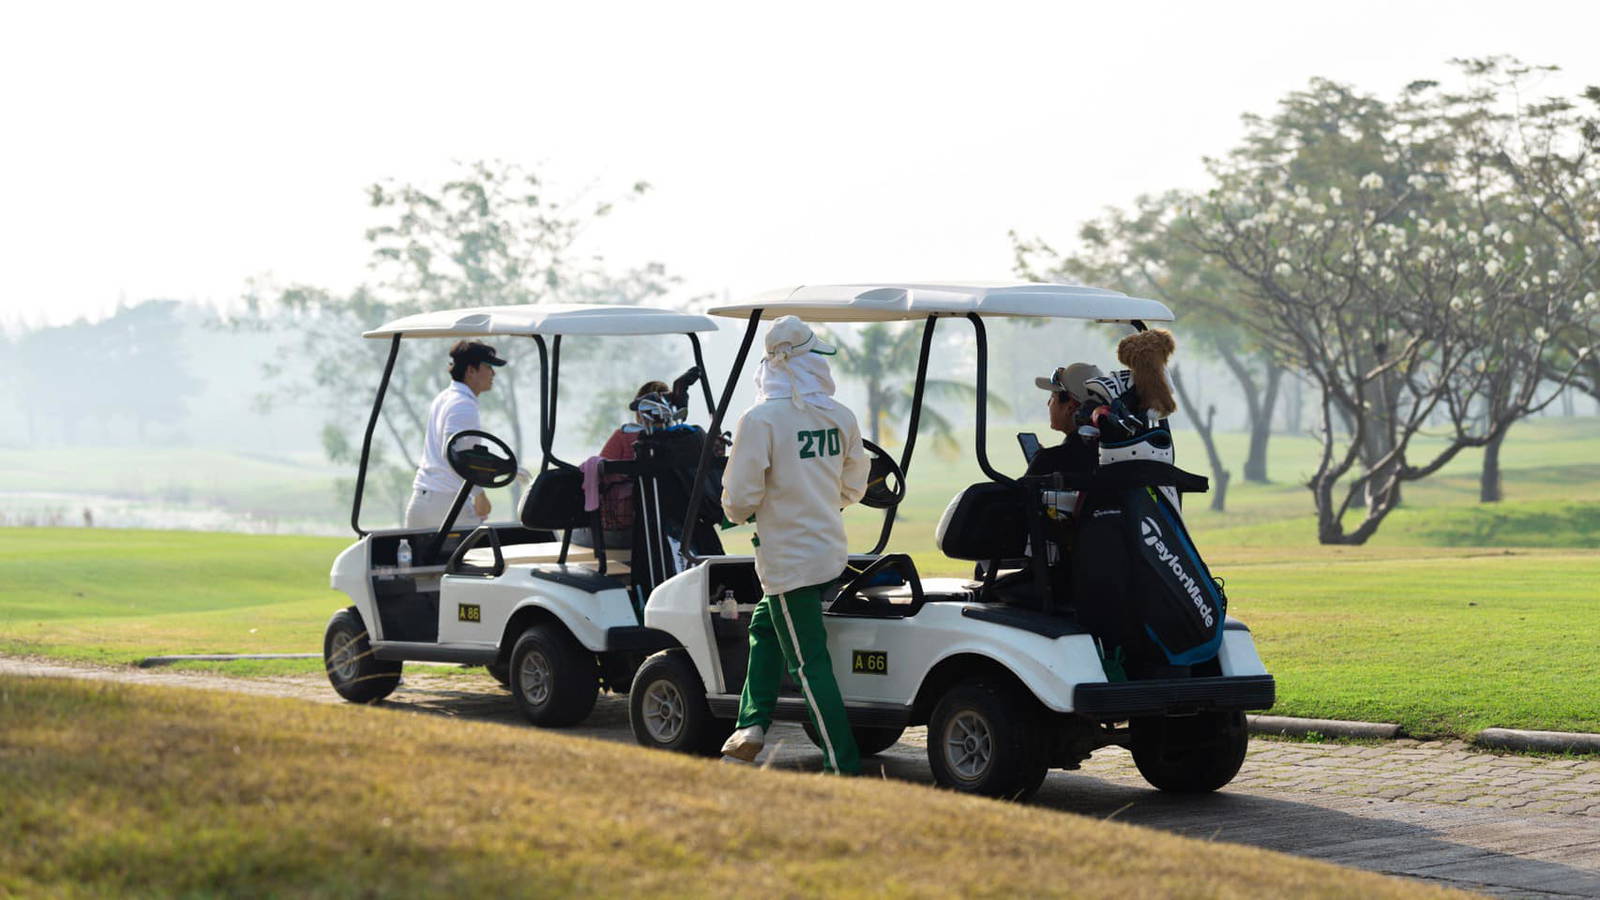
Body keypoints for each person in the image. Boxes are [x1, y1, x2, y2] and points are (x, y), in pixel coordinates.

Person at [718, 316, 870, 775]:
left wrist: (742, 512)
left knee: (807, 666)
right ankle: (750, 727)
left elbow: (738, 501)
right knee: (764, 629)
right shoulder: (840, 415)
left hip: (787, 560)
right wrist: (818, 500)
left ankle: (842, 766)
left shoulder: (760, 419)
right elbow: (854, 486)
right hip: (827, 552)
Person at [404, 340, 506, 531]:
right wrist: (479, 494)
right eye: (488, 367)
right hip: (446, 503)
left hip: (424, 500)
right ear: (471, 371)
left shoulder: (445, 397)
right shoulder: (463, 405)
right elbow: (454, 455)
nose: (493, 373)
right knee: (482, 556)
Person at [588, 380, 670, 548]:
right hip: (669, 513)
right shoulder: (683, 438)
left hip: (630, 516)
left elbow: (601, 469)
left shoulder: (623, 436)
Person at [1026, 362, 1103, 480]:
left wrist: (1042, 460)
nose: (1048, 404)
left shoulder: (1048, 461)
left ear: (1070, 408)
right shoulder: (1109, 456)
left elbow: (1017, 497)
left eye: (1052, 397)